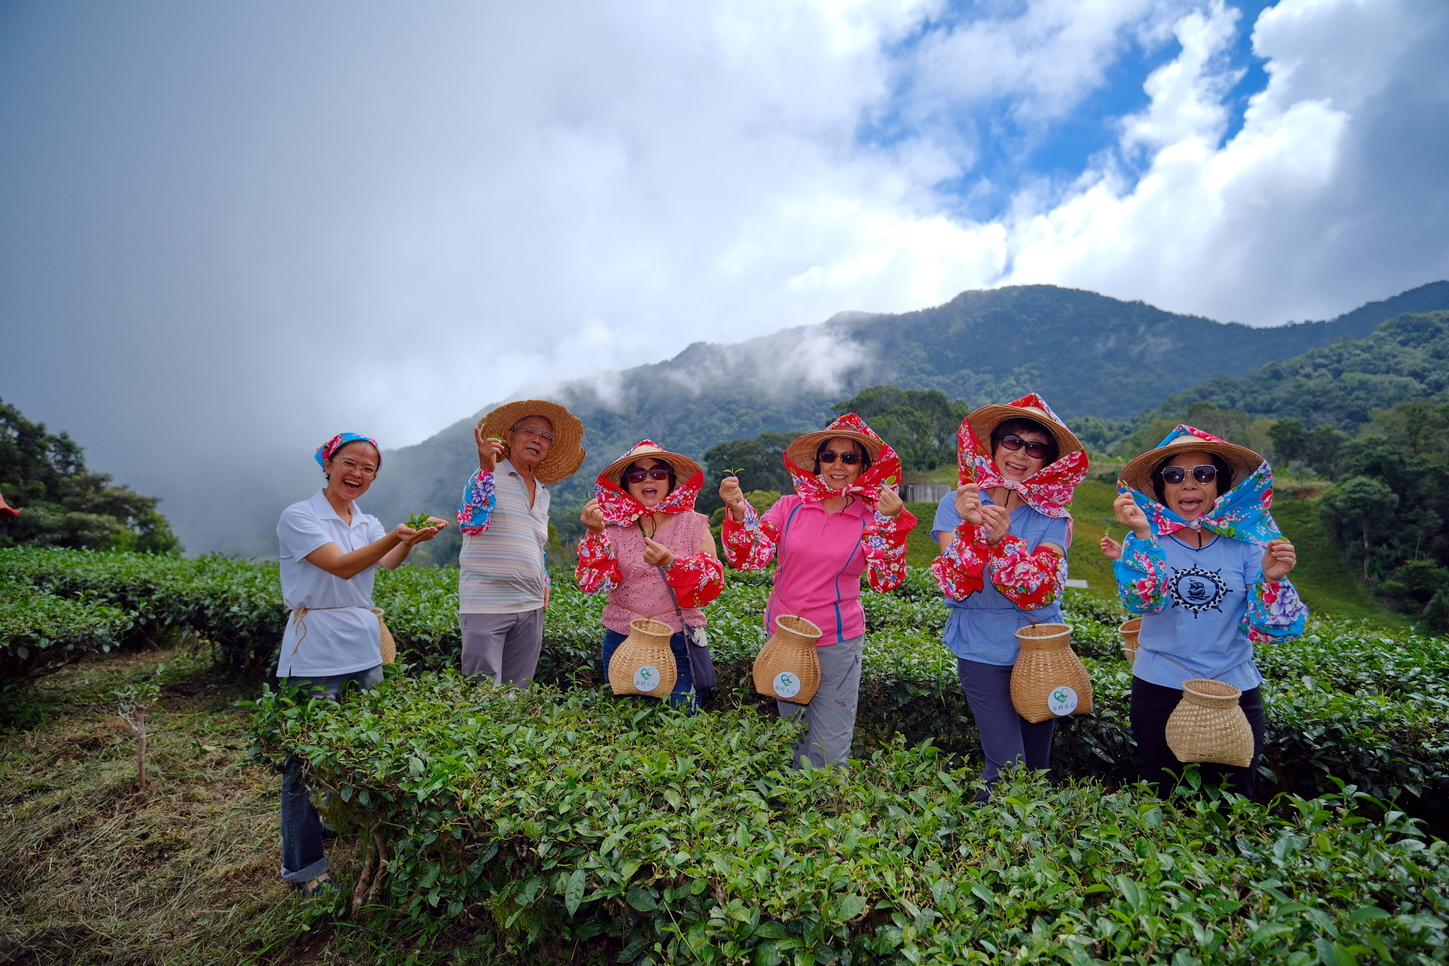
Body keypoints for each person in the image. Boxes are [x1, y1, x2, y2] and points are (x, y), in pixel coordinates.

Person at [275, 432, 446, 895]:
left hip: (363, 647)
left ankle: (339, 824)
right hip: (313, 651)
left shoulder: (365, 520)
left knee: (361, 750)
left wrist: (412, 540)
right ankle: (305, 868)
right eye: (350, 463)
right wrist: (397, 533)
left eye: (369, 469)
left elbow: (388, 561)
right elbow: (343, 566)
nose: (358, 474)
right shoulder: (300, 516)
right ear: (328, 465)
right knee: (303, 762)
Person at [1101, 425, 1306, 798]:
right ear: (1162, 488)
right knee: (1164, 798)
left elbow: (1274, 627)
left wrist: (1272, 580)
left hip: (1233, 690)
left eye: (1203, 474)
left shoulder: (1248, 541)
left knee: (1234, 801)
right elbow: (1142, 601)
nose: (1189, 484)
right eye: (1174, 475)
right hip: (1160, 687)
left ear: (1219, 486)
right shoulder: (1144, 538)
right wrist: (1144, 536)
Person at [719, 413, 916, 768]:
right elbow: (751, 556)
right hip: (786, 639)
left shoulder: (871, 516)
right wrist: (736, 510)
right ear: (817, 463)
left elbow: (886, 580)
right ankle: (795, 818)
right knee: (791, 736)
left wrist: (891, 524)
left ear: (864, 467)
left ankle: (826, 816)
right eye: (829, 456)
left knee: (829, 747)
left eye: (850, 457)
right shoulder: (789, 506)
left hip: (837, 642)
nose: (838, 465)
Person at [930, 393, 1089, 801]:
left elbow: (1041, 590)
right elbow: (954, 583)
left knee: (1037, 766)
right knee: (1007, 765)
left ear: (1046, 461)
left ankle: (1028, 851)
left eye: (1035, 448)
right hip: (980, 646)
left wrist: (1002, 543)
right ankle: (990, 845)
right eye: (1012, 442)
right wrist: (971, 528)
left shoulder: (1054, 517)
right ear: (995, 447)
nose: (1021, 454)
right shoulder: (957, 503)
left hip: (1039, 649)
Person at [575, 441, 724, 709]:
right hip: (623, 638)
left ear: (670, 481)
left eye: (658, 473)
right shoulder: (612, 527)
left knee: (681, 724)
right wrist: (595, 535)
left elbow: (711, 584)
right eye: (637, 475)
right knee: (623, 724)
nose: (647, 479)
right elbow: (594, 583)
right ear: (626, 484)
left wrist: (671, 562)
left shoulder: (693, 524)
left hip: (678, 641)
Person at [455, 399, 586, 686]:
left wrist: (545, 579)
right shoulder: (485, 476)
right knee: (482, 697)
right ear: (510, 437)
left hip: (530, 606)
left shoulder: (542, 492)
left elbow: (536, 543)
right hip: (486, 605)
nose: (537, 440)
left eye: (545, 437)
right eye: (529, 431)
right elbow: (470, 522)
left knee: (518, 695)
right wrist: (485, 471)